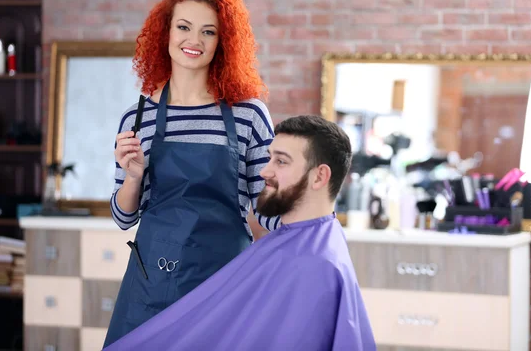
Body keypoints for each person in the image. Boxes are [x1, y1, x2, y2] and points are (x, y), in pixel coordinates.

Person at [103, 0, 281, 347]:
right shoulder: (138, 118)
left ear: (223, 42)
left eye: (208, 32)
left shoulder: (248, 115)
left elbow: (268, 205)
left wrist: (312, 231)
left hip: (223, 284)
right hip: (150, 285)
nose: (194, 41)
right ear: (165, 33)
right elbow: (123, 218)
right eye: (183, 27)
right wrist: (133, 177)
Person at [104, 115, 377, 351]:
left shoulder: (315, 267)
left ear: (319, 177)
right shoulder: (307, 244)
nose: (264, 171)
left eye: (280, 162)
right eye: (270, 158)